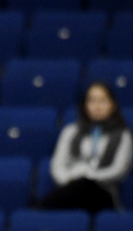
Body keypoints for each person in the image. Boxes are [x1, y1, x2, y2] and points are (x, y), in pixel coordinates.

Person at [40, 81, 132, 214]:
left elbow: (118, 170)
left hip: (104, 192)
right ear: (84, 105)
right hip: (71, 188)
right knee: (80, 187)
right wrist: (71, 178)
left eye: (102, 101)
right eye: (92, 101)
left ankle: (39, 209)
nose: (97, 106)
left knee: (86, 185)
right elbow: (57, 166)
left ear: (113, 105)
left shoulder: (123, 134)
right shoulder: (71, 131)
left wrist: (88, 176)